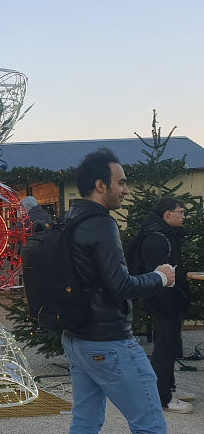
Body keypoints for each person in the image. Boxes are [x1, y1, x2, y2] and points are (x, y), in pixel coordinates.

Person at [61, 148, 176, 433]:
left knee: (85, 422)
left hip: (77, 339)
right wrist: (161, 277)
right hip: (108, 340)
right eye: (121, 182)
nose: (126, 190)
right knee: (149, 425)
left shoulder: (70, 218)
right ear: (101, 186)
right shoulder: (101, 223)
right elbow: (120, 286)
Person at [136, 198, 194, 413]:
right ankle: (162, 398)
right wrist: (167, 304)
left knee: (169, 346)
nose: (183, 216)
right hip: (163, 303)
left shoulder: (167, 235)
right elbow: (155, 277)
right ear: (167, 214)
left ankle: (168, 387)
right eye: (181, 212)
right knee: (163, 347)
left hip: (171, 301)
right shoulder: (157, 239)